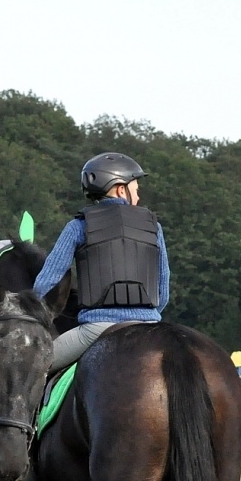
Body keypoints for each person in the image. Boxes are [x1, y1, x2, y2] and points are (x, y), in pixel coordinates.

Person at [30, 152, 169, 372]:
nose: (138, 196)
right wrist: (145, 314)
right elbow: (163, 290)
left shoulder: (78, 226)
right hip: (150, 327)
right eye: (136, 189)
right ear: (121, 189)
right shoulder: (154, 227)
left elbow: (44, 284)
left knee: (33, 369)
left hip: (95, 329)